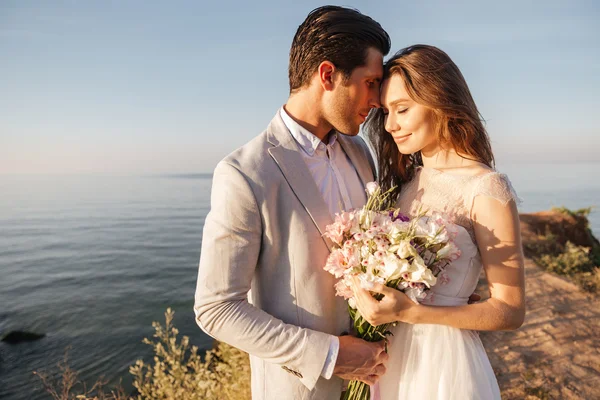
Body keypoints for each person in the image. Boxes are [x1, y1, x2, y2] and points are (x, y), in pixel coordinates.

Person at [194, 6, 392, 399]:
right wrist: (330, 354)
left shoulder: (360, 151)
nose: (378, 101)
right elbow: (215, 309)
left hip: (380, 381)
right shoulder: (245, 173)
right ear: (327, 75)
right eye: (371, 82)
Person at [355, 44, 526, 399]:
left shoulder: (486, 187)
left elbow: (509, 311)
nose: (390, 125)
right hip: (389, 359)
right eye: (386, 111)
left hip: (444, 365)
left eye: (402, 109)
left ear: (440, 101)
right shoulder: (406, 182)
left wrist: (414, 313)